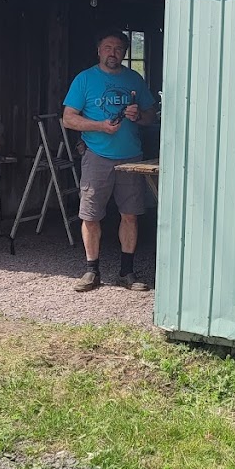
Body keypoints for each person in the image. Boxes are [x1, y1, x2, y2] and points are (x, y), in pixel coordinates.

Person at [62, 30, 157, 292]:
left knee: (130, 215)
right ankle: (92, 270)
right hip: (97, 155)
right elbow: (68, 118)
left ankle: (126, 273)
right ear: (99, 50)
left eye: (118, 48)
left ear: (125, 53)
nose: (112, 52)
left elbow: (151, 117)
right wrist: (100, 126)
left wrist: (138, 117)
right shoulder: (85, 79)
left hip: (130, 157)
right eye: (107, 47)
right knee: (90, 216)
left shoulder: (134, 79)